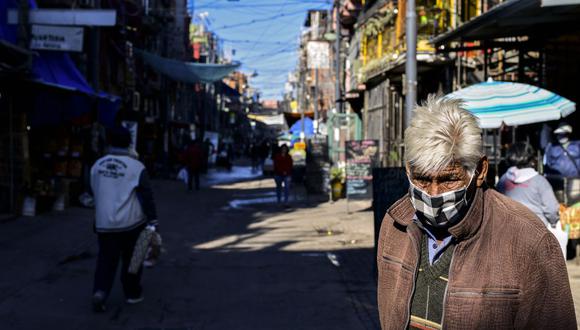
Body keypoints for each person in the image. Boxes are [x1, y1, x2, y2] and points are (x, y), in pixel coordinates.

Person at [377, 96, 576, 329]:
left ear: (480, 171)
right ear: (409, 170)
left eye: (448, 179)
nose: (433, 193)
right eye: (421, 179)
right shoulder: (395, 225)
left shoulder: (529, 241)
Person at [90, 127, 158, 312]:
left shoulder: (97, 165)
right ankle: (132, 293)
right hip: (132, 223)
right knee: (133, 260)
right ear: (129, 143)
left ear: (109, 142)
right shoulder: (136, 167)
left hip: (103, 223)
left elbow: (93, 192)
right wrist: (153, 221)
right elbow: (147, 195)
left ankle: (100, 291)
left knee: (106, 260)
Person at [497, 142, 560, 228]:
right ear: (531, 159)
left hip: (509, 229)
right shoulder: (539, 181)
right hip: (537, 230)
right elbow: (552, 210)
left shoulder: (503, 179)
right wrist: (553, 223)